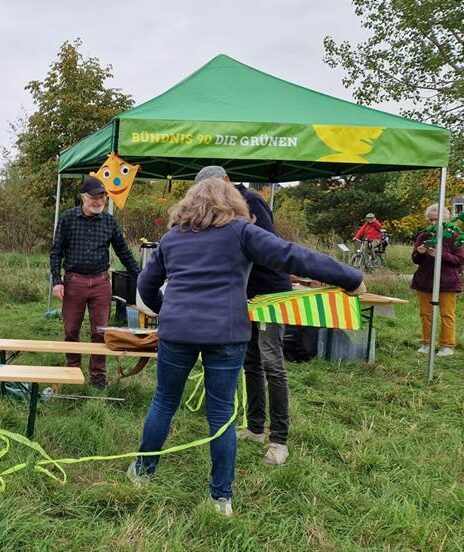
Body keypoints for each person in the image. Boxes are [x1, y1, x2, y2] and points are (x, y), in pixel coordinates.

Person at [129, 177, 364, 516]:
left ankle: (142, 473)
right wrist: (350, 277)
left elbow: (146, 283)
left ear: (189, 203)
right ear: (232, 203)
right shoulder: (242, 232)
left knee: (164, 401)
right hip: (225, 334)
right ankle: (221, 498)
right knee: (221, 413)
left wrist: (166, 310)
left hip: (177, 331)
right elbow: (292, 256)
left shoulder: (172, 238)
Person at [194, 166, 294, 466]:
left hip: (270, 292)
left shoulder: (252, 201)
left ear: (225, 181)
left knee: (272, 362)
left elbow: (269, 247)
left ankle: (279, 440)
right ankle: (255, 427)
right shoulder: (219, 209)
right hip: (244, 292)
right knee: (250, 361)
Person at [49, 175, 141, 388]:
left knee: (100, 331)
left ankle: (98, 377)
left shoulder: (109, 221)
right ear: (83, 197)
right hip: (74, 282)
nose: (99, 201)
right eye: (94, 198)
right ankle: (72, 372)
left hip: (101, 282)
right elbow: (56, 252)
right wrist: (57, 281)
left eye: (102, 197)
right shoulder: (67, 218)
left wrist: (140, 275)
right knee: (71, 330)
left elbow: (123, 251)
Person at [411, 204, 463, 357]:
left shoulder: (455, 236)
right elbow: (415, 259)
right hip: (424, 281)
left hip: (447, 282)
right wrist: (419, 252)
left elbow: (460, 259)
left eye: (437, 219)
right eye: (431, 220)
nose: (434, 223)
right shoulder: (424, 235)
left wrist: (441, 255)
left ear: (446, 219)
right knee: (425, 314)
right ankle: (427, 343)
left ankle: (447, 345)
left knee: (447, 314)